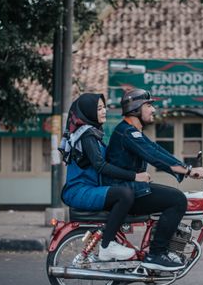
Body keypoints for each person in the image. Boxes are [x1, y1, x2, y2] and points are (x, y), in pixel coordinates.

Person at [105, 89, 203, 271]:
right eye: (149, 105)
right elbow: (154, 157)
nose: (153, 110)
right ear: (136, 108)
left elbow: (158, 151)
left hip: (131, 188)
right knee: (177, 200)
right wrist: (188, 171)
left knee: (171, 197)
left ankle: (163, 249)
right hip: (125, 190)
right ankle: (156, 253)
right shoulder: (128, 133)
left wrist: (187, 168)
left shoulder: (131, 132)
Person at [60, 93, 152, 261]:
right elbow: (100, 166)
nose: (104, 111)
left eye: (104, 107)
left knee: (128, 193)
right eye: (99, 108)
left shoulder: (94, 134)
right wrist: (134, 176)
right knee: (124, 194)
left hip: (91, 189)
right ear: (88, 112)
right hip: (80, 191)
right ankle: (106, 246)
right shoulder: (87, 135)